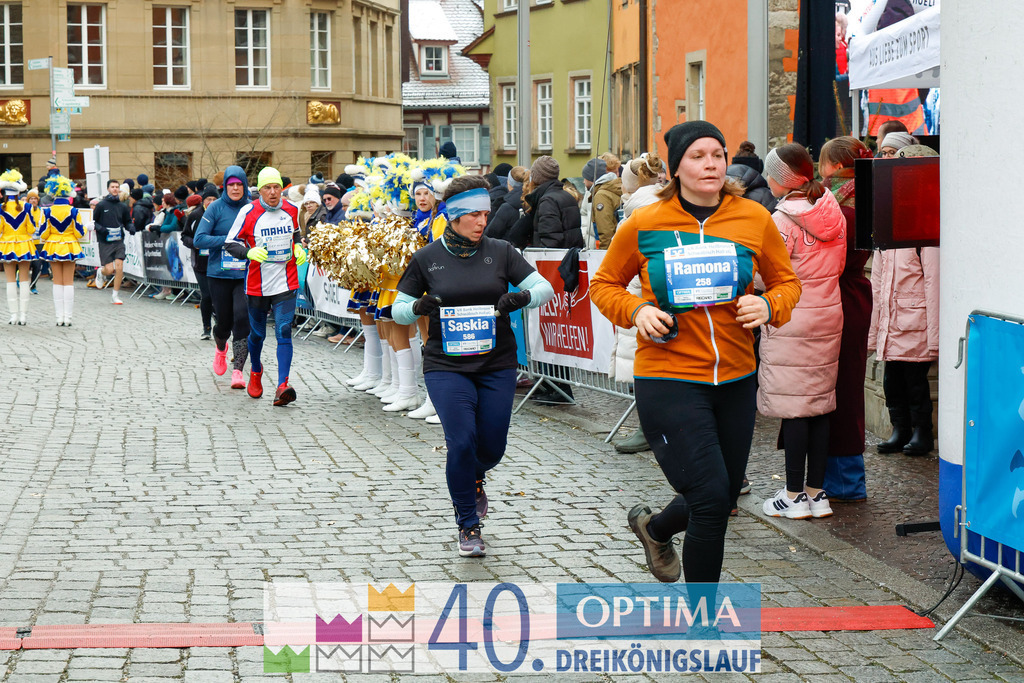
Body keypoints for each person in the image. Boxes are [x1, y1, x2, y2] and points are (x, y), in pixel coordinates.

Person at [589, 121, 801, 583]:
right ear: (676, 167)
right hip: (669, 377)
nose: (710, 163)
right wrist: (637, 309)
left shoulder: (753, 218)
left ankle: (654, 527)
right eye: (697, 156)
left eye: (717, 154)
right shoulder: (645, 222)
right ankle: (704, 627)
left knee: (722, 495)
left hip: (736, 378)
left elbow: (788, 283)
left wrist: (768, 304)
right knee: (709, 500)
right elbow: (603, 286)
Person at [392, 175, 555, 556]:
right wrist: (417, 307)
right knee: (461, 441)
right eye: (475, 215)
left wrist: (523, 298)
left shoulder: (500, 251)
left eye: (487, 213)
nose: (483, 221)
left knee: (492, 448)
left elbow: (543, 287)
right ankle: (468, 524)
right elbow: (397, 310)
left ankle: (476, 476)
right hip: (446, 366)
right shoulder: (427, 257)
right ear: (454, 216)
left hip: (497, 363)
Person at [758, 143, 847, 520]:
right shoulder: (833, 209)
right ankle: (816, 492)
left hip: (792, 316)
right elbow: (840, 264)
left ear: (782, 180)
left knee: (795, 408)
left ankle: (793, 495)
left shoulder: (781, 221)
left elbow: (768, 275)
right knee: (820, 404)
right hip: (828, 314)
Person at [870, 144, 940, 456]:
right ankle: (900, 428)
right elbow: (877, 282)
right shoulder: (889, 219)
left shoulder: (928, 223)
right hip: (892, 319)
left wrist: (935, 338)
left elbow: (935, 283)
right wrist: (874, 330)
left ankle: (922, 431)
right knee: (892, 381)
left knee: (915, 383)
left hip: (915, 321)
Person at [818, 136, 875, 501]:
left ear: (836, 167)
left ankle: (840, 480)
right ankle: (844, 478)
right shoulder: (870, 197)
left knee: (829, 386)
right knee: (848, 386)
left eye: (822, 165)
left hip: (834, 295)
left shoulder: (831, 205)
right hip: (856, 295)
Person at [224, 167, 307, 406]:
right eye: (268, 188)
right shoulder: (248, 212)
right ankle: (256, 370)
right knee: (258, 334)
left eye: (277, 187)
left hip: (286, 281)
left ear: (282, 188)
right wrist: (249, 251)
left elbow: (296, 235)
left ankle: (282, 385)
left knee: (283, 330)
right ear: (259, 190)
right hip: (257, 285)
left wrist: (299, 248)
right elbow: (230, 243)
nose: (273, 192)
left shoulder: (292, 209)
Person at [609, 152, 665, 454]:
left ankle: (649, 429)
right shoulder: (663, 205)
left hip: (640, 301)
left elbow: (611, 274)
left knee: (642, 369)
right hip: (643, 300)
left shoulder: (636, 216)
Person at [195, 166, 252, 390]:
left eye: (239, 185)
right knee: (224, 323)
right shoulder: (216, 208)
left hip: (244, 274)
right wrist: (228, 242)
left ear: (245, 185)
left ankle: (238, 370)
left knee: (242, 318)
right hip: (218, 274)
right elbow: (199, 239)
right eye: (231, 185)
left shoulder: (251, 207)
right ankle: (221, 348)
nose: (235, 188)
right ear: (225, 187)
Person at [37, 175, 86, 326]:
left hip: (53, 246)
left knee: (57, 281)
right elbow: (79, 233)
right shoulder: (73, 211)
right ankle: (68, 318)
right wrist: (86, 227)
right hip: (70, 245)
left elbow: (43, 234)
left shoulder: (46, 211)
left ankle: (59, 318)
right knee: (68, 281)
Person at [181, 186, 219, 339]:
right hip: (200, 263)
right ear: (203, 200)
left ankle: (220, 321)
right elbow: (184, 236)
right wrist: (195, 243)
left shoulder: (221, 214)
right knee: (207, 295)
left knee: (218, 295)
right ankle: (206, 328)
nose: (211, 202)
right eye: (208, 199)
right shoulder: (195, 215)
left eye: (214, 200)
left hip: (218, 261)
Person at [0, 170, 33, 324]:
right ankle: (24, 316)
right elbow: (32, 229)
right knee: (25, 280)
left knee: (10, 280)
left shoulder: (1, 208)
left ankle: (13, 315)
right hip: (24, 244)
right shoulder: (27, 207)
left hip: (7, 245)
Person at [92, 179, 131, 305]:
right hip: (105, 241)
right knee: (109, 270)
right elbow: (94, 222)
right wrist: (102, 229)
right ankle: (100, 272)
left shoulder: (122, 206)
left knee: (119, 266)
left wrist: (131, 227)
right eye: (112, 187)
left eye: (117, 187)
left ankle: (115, 295)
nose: (115, 189)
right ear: (108, 189)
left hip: (119, 241)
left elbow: (127, 221)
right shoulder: (102, 205)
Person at [581, 158, 623, 248]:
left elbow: (606, 231)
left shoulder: (601, 196)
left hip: (608, 251)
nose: (583, 181)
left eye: (585, 178)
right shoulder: (610, 190)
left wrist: (603, 254)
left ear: (592, 179)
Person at [485, 166, 528, 242]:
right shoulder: (537, 200)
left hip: (508, 250)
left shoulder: (506, 207)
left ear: (509, 183)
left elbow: (490, 233)